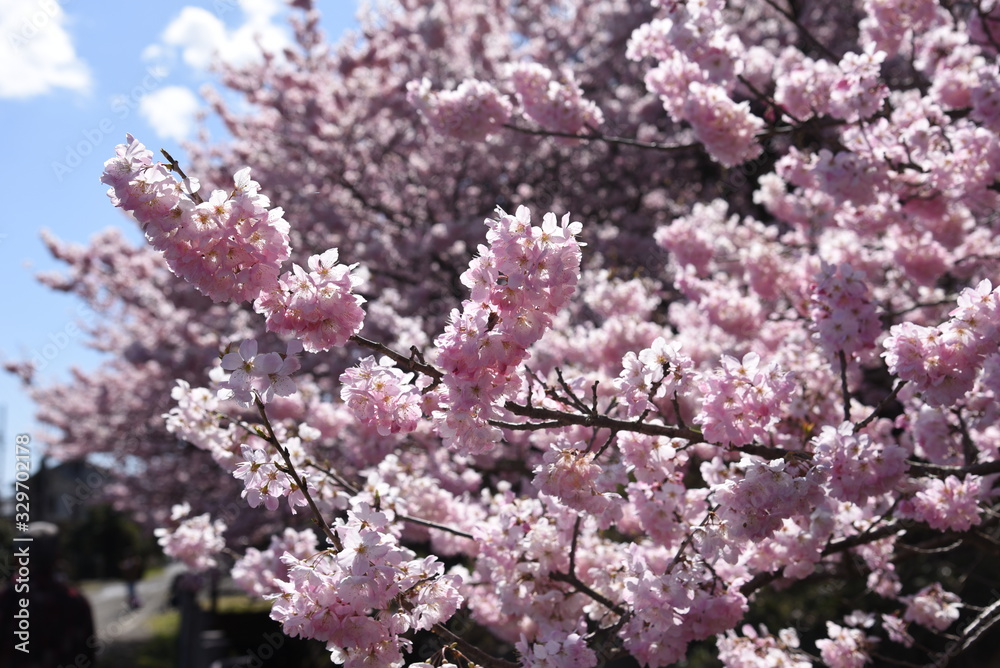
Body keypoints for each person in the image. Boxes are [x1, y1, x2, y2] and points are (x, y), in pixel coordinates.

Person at [0, 522, 97, 667]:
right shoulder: (75, 601)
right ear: (58, 557)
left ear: (18, 558)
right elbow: (88, 656)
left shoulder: (8, 600)